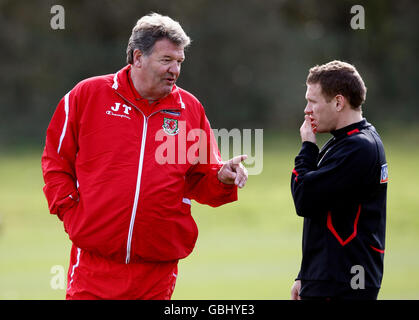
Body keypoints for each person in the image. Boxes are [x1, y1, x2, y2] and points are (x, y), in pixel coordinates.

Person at [41, 13, 248, 300]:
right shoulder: (87, 95)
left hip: (156, 271)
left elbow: (200, 180)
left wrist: (222, 177)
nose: (174, 69)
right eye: (166, 60)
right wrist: (69, 210)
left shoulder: (190, 109)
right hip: (94, 266)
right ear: (138, 57)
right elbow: (56, 160)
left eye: (179, 62)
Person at [290, 60, 388, 300]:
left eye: (312, 101)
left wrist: (307, 147)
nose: (306, 110)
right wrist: (306, 274)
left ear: (338, 102)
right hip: (329, 277)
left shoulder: (359, 148)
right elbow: (323, 211)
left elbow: (304, 198)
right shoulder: (346, 141)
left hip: (342, 283)